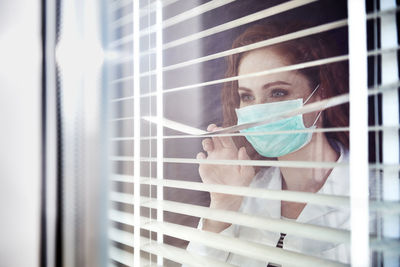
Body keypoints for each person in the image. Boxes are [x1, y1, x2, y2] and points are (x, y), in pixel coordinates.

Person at [185, 23, 352, 266]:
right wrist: (223, 207)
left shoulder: (381, 201)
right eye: (247, 97)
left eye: (277, 93)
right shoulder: (245, 193)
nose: (259, 111)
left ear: (319, 97)